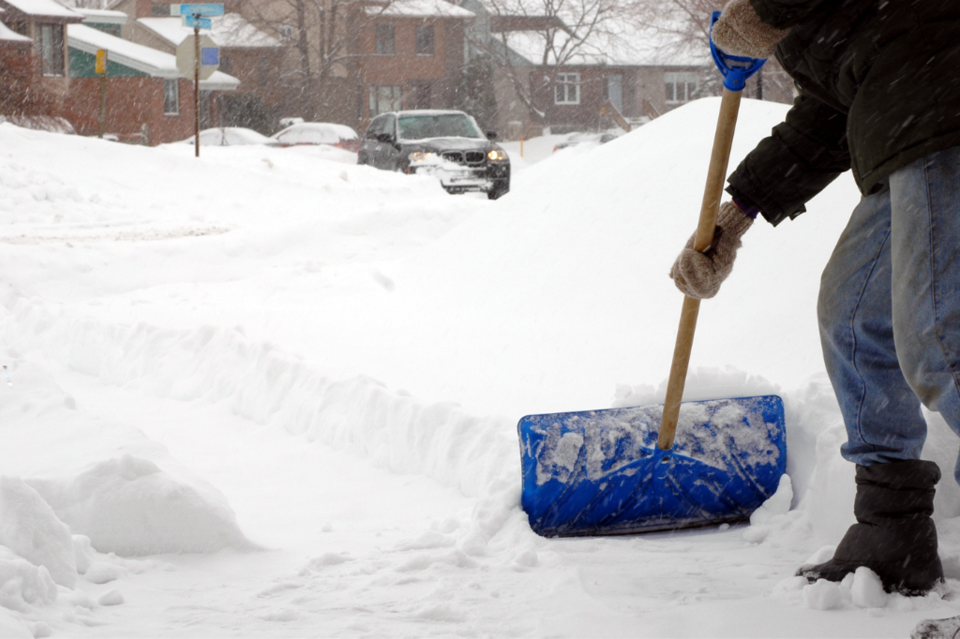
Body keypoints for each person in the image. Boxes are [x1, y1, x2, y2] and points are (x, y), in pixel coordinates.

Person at [670, 0, 960, 596]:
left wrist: (768, 11)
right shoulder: (838, 33)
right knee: (854, 316)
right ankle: (892, 531)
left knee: (941, 340)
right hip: (909, 118)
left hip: (943, 96)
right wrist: (735, 218)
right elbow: (828, 115)